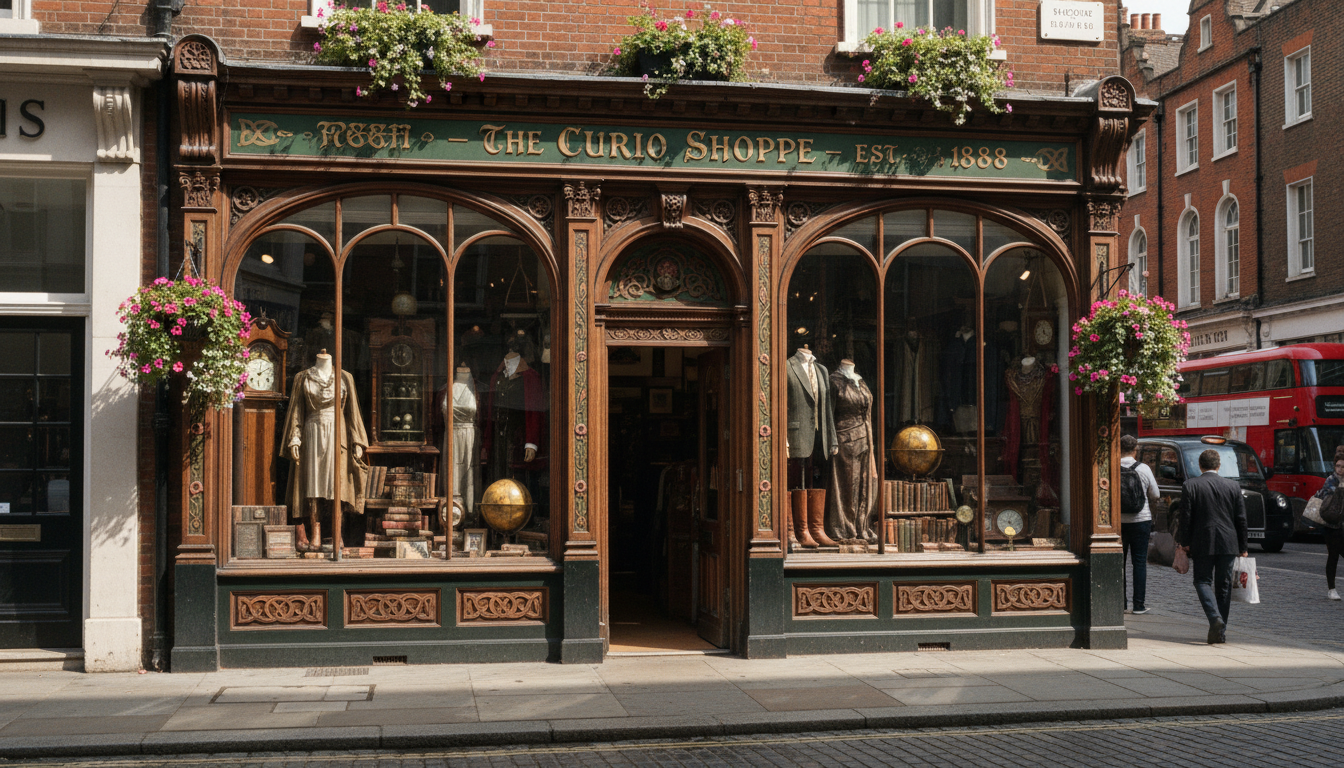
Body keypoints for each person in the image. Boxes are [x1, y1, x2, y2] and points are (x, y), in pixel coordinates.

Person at [1177, 448, 1249, 645]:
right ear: (1218, 465)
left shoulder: (1191, 485)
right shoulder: (1233, 486)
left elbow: (1185, 518)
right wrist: (1243, 546)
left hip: (1202, 541)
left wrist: (1184, 543)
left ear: (1200, 465)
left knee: (1202, 581)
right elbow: (1241, 519)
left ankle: (1214, 618)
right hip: (1228, 542)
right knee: (1223, 585)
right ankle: (1220, 631)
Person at [1120, 435, 1161, 614]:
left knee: (1118, 564)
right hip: (1141, 520)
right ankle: (1138, 605)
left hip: (1117, 523)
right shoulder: (1143, 468)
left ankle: (1120, 603)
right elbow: (1156, 495)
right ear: (1135, 449)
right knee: (1139, 563)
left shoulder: (1112, 469)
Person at [1310, 448, 1344, 601]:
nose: (1340, 469)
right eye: (1338, 466)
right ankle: (1332, 589)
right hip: (1331, 525)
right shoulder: (1331, 480)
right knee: (1333, 556)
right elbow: (1329, 498)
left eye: (1343, 467)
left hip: (1342, 524)